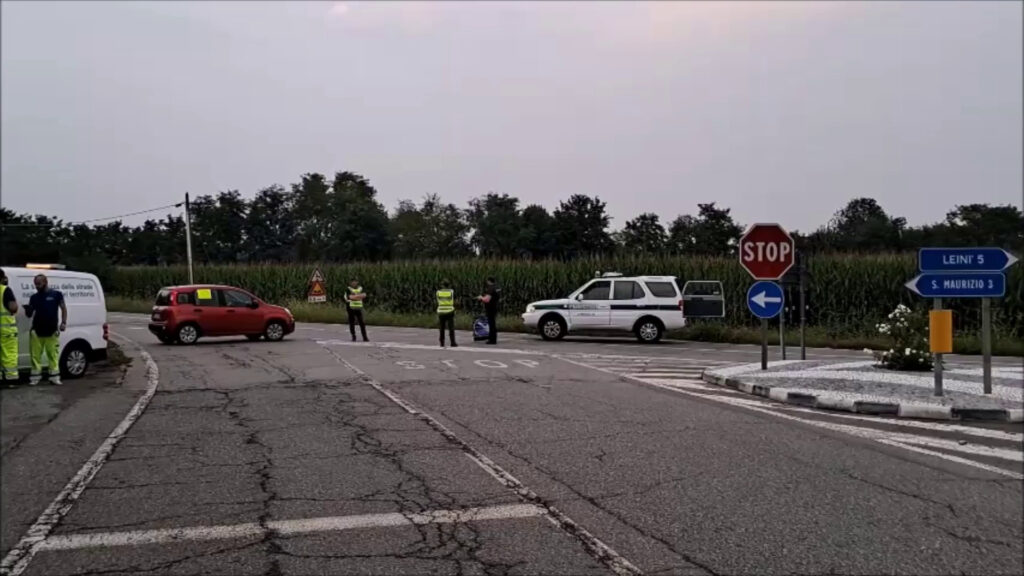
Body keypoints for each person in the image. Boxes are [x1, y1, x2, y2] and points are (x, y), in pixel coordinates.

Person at [24, 274, 67, 386]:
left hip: (51, 330)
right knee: (35, 356)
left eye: (39, 284)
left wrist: (63, 322)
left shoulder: (56, 294)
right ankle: (35, 378)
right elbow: (30, 315)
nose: (37, 286)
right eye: (35, 284)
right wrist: (27, 310)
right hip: (37, 331)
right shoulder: (34, 297)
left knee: (53, 355)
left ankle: (54, 377)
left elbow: (63, 308)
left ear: (45, 282)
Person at [0, 270, 19, 386]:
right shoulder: (5, 290)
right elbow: (13, 308)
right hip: (6, 330)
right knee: (9, 355)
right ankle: (11, 379)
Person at [477, 277, 501, 345]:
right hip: (494, 307)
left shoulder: (491, 288)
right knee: (493, 324)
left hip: (490, 308)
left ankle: (492, 340)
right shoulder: (496, 288)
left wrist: (481, 298)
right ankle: (493, 339)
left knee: (491, 324)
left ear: (489, 281)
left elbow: (487, 299)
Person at [345, 278, 368, 342]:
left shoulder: (360, 288)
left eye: (355, 281)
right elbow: (350, 297)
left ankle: (365, 337)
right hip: (351, 308)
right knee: (352, 323)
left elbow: (364, 295)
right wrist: (359, 296)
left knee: (362, 323)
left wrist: (355, 297)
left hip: (358, 308)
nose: (354, 283)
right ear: (350, 283)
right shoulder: (348, 289)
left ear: (357, 282)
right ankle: (353, 336)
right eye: (352, 282)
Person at [436, 279, 457, 348]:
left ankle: (442, 342)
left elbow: (437, 300)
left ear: (442, 285)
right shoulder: (451, 292)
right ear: (449, 285)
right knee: (451, 328)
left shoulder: (438, 292)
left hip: (441, 311)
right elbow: (454, 299)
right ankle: (452, 342)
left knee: (442, 328)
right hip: (450, 311)